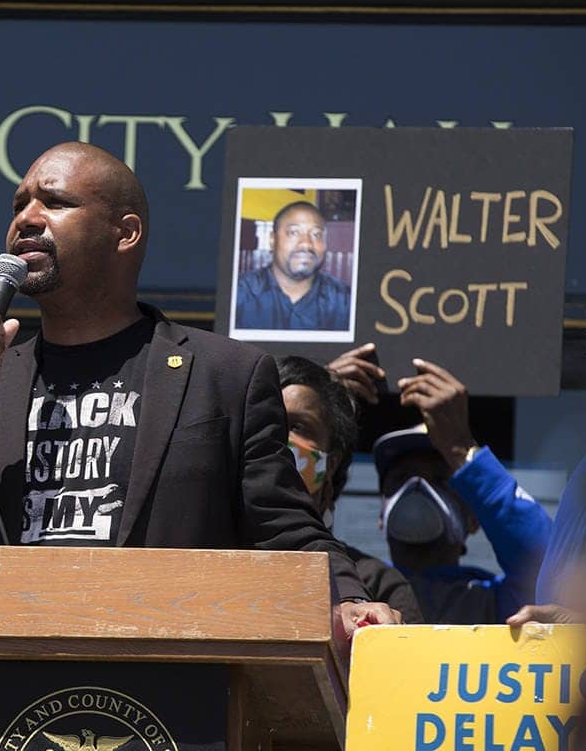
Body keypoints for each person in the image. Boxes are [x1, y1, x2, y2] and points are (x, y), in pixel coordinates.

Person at [0, 141, 399, 634]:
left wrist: (348, 597)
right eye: (19, 204)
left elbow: (284, 528)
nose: (26, 219)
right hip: (3, 704)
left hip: (161, 701)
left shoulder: (223, 377)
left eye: (54, 201)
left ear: (125, 233)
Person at [371, 358, 552, 623]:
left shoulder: (497, 603)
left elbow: (550, 565)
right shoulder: (356, 589)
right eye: (401, 478)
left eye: (439, 479)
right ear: (380, 513)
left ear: (472, 518)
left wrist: (460, 449)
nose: (416, 488)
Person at [277, 356, 423, 622]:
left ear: (331, 463)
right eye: (267, 424)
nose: (279, 441)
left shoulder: (377, 585)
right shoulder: (212, 551)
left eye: (297, 426)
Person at [235, 201, 350, 332]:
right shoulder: (238, 294)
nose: (306, 244)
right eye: (294, 232)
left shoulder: (345, 300)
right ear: (273, 240)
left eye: (316, 234)